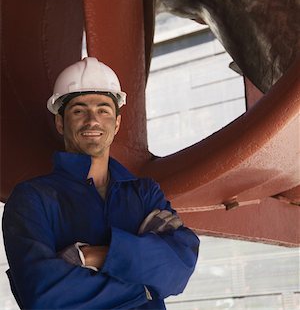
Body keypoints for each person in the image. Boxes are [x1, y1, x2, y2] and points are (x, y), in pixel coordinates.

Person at [2, 57, 199, 309]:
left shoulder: (145, 192)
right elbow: (43, 296)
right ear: (60, 123)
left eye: (103, 110)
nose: (92, 120)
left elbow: (178, 271)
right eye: (79, 110)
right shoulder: (31, 199)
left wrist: (97, 255)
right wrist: (147, 286)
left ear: (116, 123)